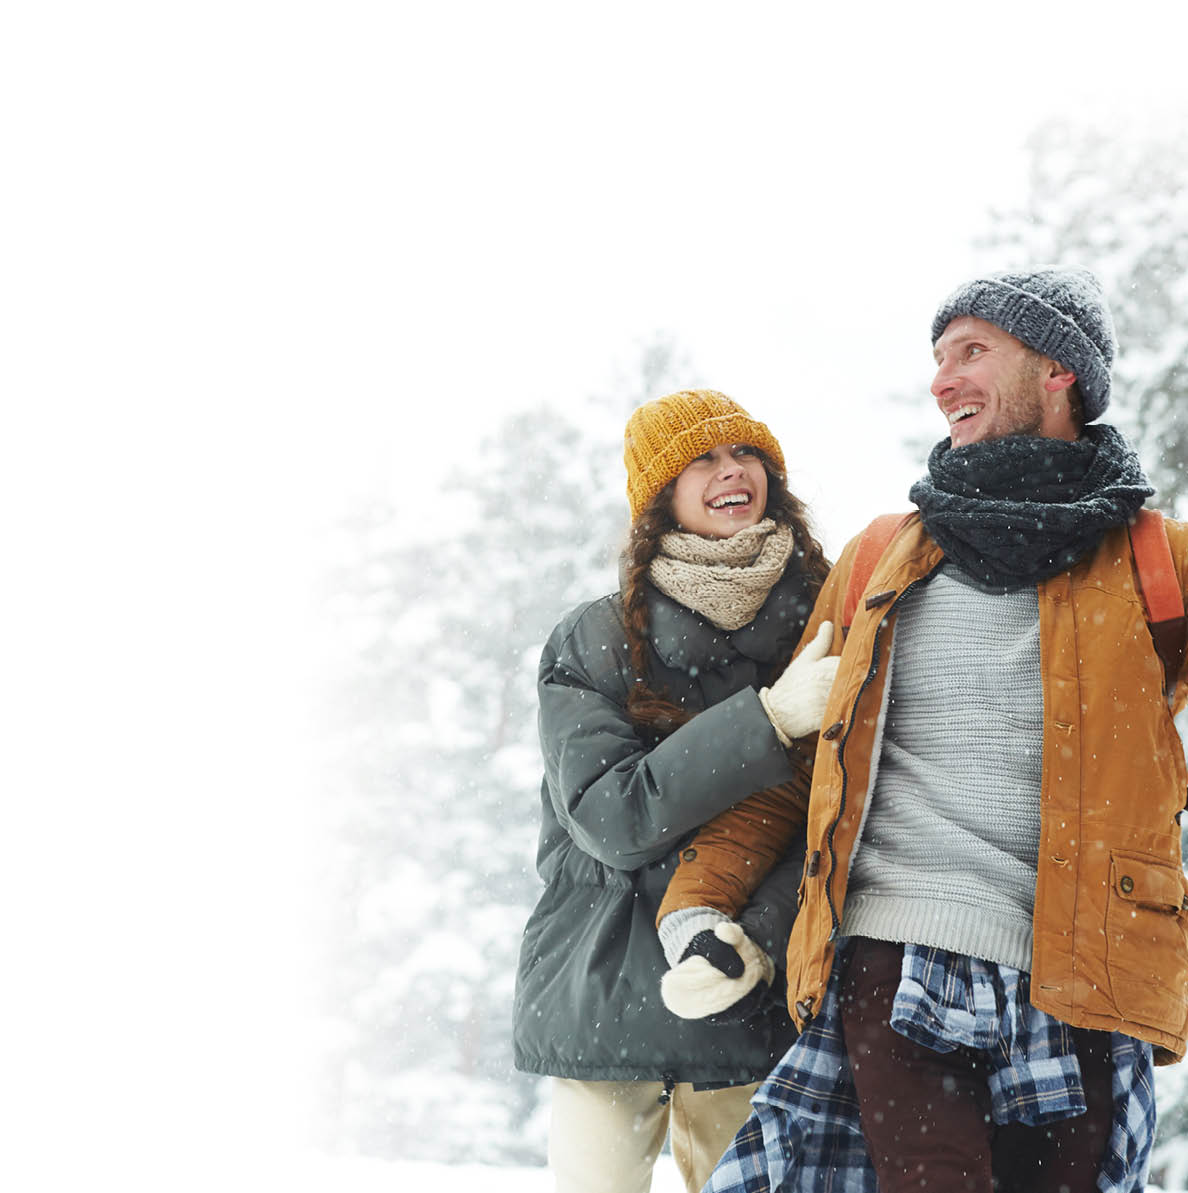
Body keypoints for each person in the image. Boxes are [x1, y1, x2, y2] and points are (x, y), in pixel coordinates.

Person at [656, 268, 1188, 1193]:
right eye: (937, 359)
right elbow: (801, 759)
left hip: (1083, 965)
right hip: (894, 953)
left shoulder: (1155, 562)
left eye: (972, 351)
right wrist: (700, 904)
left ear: (1059, 370)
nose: (942, 380)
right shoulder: (879, 556)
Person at [512, 389, 841, 1193]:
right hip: (604, 995)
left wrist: (752, 942)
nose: (733, 473)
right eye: (704, 459)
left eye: (746, 455)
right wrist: (766, 723)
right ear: (660, 495)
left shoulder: (827, 624)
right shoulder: (593, 638)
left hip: (748, 997)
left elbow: (836, 821)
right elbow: (612, 816)